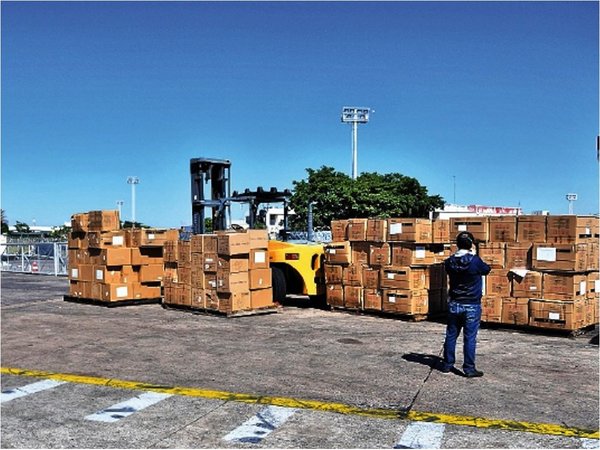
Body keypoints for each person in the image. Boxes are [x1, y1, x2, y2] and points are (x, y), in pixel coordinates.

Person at [441, 231, 491, 377]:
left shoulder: (449, 261)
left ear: (457, 244)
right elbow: (486, 270)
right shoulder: (475, 261)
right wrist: (473, 253)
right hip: (471, 304)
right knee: (469, 338)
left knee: (451, 335)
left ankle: (447, 364)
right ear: (470, 244)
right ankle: (469, 368)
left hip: (454, 303)